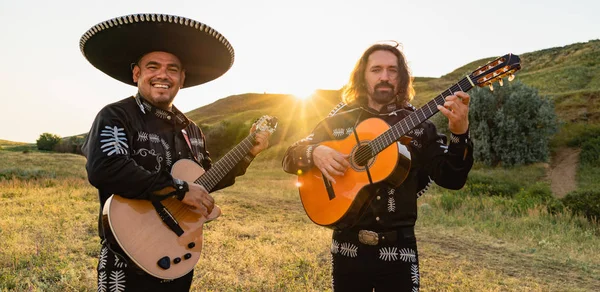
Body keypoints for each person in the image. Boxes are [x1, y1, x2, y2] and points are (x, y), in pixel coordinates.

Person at [79, 14, 270, 291]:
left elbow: (206, 182)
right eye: (152, 67)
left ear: (182, 78)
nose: (162, 75)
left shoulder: (191, 129)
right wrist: (178, 189)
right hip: (125, 255)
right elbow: (106, 168)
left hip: (177, 250)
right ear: (136, 74)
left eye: (172, 69)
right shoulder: (116, 116)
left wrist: (248, 152)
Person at [282, 42, 473, 291]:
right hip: (347, 249)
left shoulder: (419, 126)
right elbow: (289, 159)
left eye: (392, 70)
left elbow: (452, 178)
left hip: (399, 253)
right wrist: (315, 151)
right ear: (362, 76)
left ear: (402, 77)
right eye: (376, 69)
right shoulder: (337, 121)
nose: (385, 77)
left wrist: (460, 133)